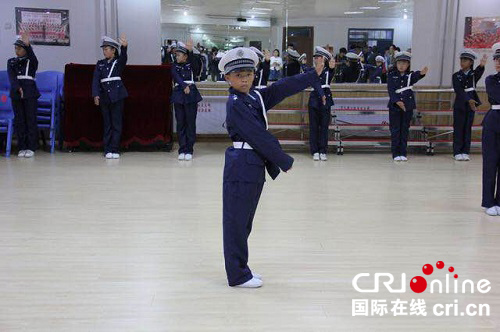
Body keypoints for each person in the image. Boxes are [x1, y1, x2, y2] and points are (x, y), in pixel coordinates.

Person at [219, 47, 324, 288]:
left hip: (252, 165)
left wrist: (311, 75)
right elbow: (258, 135)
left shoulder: (253, 97)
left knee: (244, 222)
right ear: (227, 78)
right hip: (242, 166)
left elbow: (281, 88)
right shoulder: (236, 104)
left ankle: (241, 267)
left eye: (248, 73)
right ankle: (237, 275)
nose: (244, 79)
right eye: (238, 75)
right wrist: (283, 160)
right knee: (236, 222)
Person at [386, 51, 428, 161]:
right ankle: (395, 153)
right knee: (395, 130)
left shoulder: (410, 76)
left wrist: (422, 73)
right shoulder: (391, 75)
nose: (401, 65)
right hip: (395, 107)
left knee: (404, 130)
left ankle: (403, 153)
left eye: (404, 63)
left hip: (407, 106)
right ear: (396, 63)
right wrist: (397, 101)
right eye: (399, 63)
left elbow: (416, 75)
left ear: (408, 65)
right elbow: (391, 90)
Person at [92, 35, 128, 159]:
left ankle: (115, 149)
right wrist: (96, 94)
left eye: (107, 49)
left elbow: (124, 58)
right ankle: (107, 149)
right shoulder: (100, 64)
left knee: (116, 124)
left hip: (117, 96)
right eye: (104, 49)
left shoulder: (118, 62)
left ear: (113, 50)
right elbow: (96, 80)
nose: (104, 51)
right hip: (105, 97)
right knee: (107, 124)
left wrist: (124, 48)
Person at [8, 32, 40, 158]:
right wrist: (17, 87)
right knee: (20, 120)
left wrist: (28, 46)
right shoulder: (11, 62)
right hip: (16, 93)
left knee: (30, 120)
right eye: (16, 48)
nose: (17, 51)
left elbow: (33, 57)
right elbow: (12, 77)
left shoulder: (31, 61)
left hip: (30, 93)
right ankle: (22, 146)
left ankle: (31, 147)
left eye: (20, 48)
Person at [452, 50, 487, 161]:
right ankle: (457, 151)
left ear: (471, 62)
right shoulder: (456, 75)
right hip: (460, 105)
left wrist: (481, 65)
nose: (462, 62)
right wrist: (469, 100)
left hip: (471, 106)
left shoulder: (473, 75)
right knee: (458, 128)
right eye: (462, 60)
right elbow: (459, 90)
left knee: (467, 128)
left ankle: (465, 151)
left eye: (465, 60)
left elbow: (478, 72)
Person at [171, 40, 203, 161]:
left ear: (185, 56)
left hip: (191, 95)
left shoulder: (191, 65)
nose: (176, 56)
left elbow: (196, 66)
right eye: (176, 55)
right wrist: (184, 85)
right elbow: (175, 76)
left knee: (190, 122)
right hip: (179, 94)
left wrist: (190, 51)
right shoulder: (174, 65)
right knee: (180, 123)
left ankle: (189, 149)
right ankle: (182, 148)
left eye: (179, 55)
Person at [481, 43, 500, 216]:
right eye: (496, 59)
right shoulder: (491, 80)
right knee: (490, 162)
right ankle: (488, 202)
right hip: (493, 121)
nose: (498, 62)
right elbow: (496, 96)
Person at [308, 46, 335, 161]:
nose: (316, 59)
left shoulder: (328, 70)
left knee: (324, 126)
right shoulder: (311, 70)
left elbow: (332, 69)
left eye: (318, 57)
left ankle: (323, 150)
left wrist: (331, 65)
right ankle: (314, 151)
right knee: (314, 126)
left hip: (326, 98)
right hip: (314, 99)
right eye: (315, 57)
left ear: (323, 59)